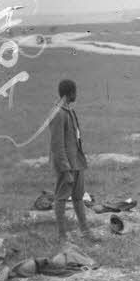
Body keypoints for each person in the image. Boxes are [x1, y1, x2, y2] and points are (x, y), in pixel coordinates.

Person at [48, 79, 98, 243]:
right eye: (75, 91)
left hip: (77, 162)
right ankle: (62, 236)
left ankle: (85, 231)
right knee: (61, 198)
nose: (76, 94)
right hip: (67, 165)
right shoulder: (58, 113)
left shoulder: (68, 110)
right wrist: (65, 169)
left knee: (78, 197)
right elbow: (57, 145)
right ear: (70, 93)